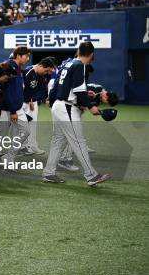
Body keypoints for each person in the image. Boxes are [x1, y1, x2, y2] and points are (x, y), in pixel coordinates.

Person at [42, 42, 112, 186]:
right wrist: (90, 106)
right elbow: (78, 92)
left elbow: (59, 86)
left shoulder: (68, 63)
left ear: (78, 51)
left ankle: (49, 173)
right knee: (79, 142)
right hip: (67, 108)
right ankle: (91, 175)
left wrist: (54, 101)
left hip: (59, 106)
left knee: (58, 141)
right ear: (92, 54)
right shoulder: (81, 65)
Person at [21, 57, 57, 156]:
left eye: (49, 71)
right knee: (22, 126)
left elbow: (40, 88)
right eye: (46, 70)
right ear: (40, 65)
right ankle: (22, 147)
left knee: (33, 124)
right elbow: (21, 90)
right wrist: (29, 100)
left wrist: (43, 98)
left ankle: (32, 146)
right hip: (23, 102)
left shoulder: (41, 74)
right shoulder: (28, 72)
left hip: (32, 101)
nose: (47, 73)